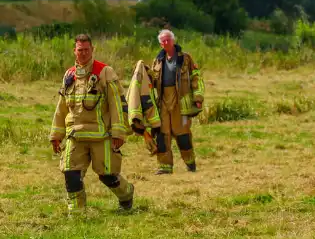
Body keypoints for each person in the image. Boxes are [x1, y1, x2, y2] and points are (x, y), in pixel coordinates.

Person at [49, 33, 134, 212]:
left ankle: (126, 195)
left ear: (92, 50)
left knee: (108, 176)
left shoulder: (105, 72)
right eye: (80, 50)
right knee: (70, 174)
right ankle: (77, 215)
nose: (83, 53)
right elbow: (62, 107)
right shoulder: (69, 75)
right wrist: (56, 135)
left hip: (101, 135)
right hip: (75, 136)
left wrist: (118, 133)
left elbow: (117, 104)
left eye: (87, 50)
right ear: (74, 51)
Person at [148, 29, 205, 174]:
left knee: (182, 134)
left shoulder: (185, 58)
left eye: (168, 40)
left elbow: (196, 77)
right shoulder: (157, 61)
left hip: (181, 101)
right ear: (160, 44)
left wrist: (198, 98)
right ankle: (165, 167)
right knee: (162, 134)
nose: (166, 43)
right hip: (163, 101)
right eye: (163, 41)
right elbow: (152, 81)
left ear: (173, 40)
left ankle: (190, 163)